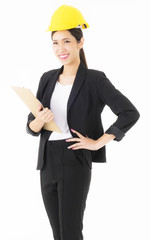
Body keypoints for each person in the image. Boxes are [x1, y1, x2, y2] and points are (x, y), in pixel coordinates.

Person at [26, 4, 140, 240]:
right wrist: (38, 121)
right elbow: (31, 127)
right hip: (47, 161)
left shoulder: (94, 80)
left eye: (67, 41)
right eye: (55, 42)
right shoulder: (47, 79)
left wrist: (99, 142)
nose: (61, 48)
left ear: (80, 42)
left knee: (70, 232)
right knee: (57, 233)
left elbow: (129, 112)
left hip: (75, 157)